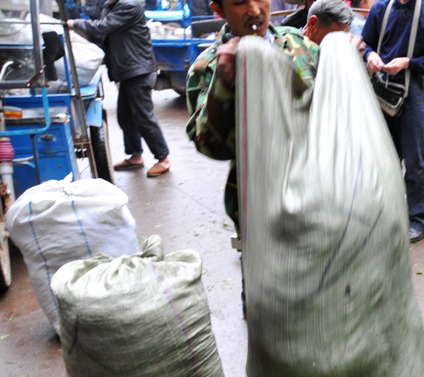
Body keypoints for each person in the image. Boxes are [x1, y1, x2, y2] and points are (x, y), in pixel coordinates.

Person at [185, 0, 318, 232]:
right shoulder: (208, 67)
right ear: (218, 10)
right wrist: (223, 86)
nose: (255, 11)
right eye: (239, 3)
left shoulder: (299, 44)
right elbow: (212, 147)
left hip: (321, 199)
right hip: (262, 213)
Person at [362, 0, 424, 243]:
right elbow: (366, 42)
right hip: (382, 90)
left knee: (414, 158)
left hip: (413, 93)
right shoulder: (381, 8)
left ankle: (419, 220)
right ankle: (383, 214)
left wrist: (408, 62)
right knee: (382, 156)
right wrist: (371, 55)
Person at [67, 0, 172, 177]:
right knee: (125, 117)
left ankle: (163, 158)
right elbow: (101, 33)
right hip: (127, 70)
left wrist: (75, 23)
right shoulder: (112, 5)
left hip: (138, 70)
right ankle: (135, 155)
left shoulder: (129, 5)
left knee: (143, 117)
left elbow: (103, 26)